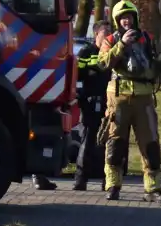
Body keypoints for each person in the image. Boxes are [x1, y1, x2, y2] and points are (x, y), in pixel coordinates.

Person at [96, 0, 161, 203]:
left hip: (144, 98)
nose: (127, 21)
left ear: (135, 18)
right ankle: (113, 186)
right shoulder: (111, 40)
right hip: (118, 98)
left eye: (130, 17)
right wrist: (122, 45)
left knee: (150, 144)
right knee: (115, 143)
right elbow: (103, 62)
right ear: (117, 21)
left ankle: (153, 189)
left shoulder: (147, 39)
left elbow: (159, 57)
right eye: (123, 18)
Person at [34, 19, 118, 191]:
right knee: (87, 142)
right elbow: (77, 75)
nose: (108, 35)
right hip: (91, 101)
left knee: (108, 142)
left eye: (110, 31)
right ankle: (81, 180)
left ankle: (107, 181)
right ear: (96, 33)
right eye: (105, 32)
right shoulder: (87, 52)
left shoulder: (113, 52)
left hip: (109, 102)